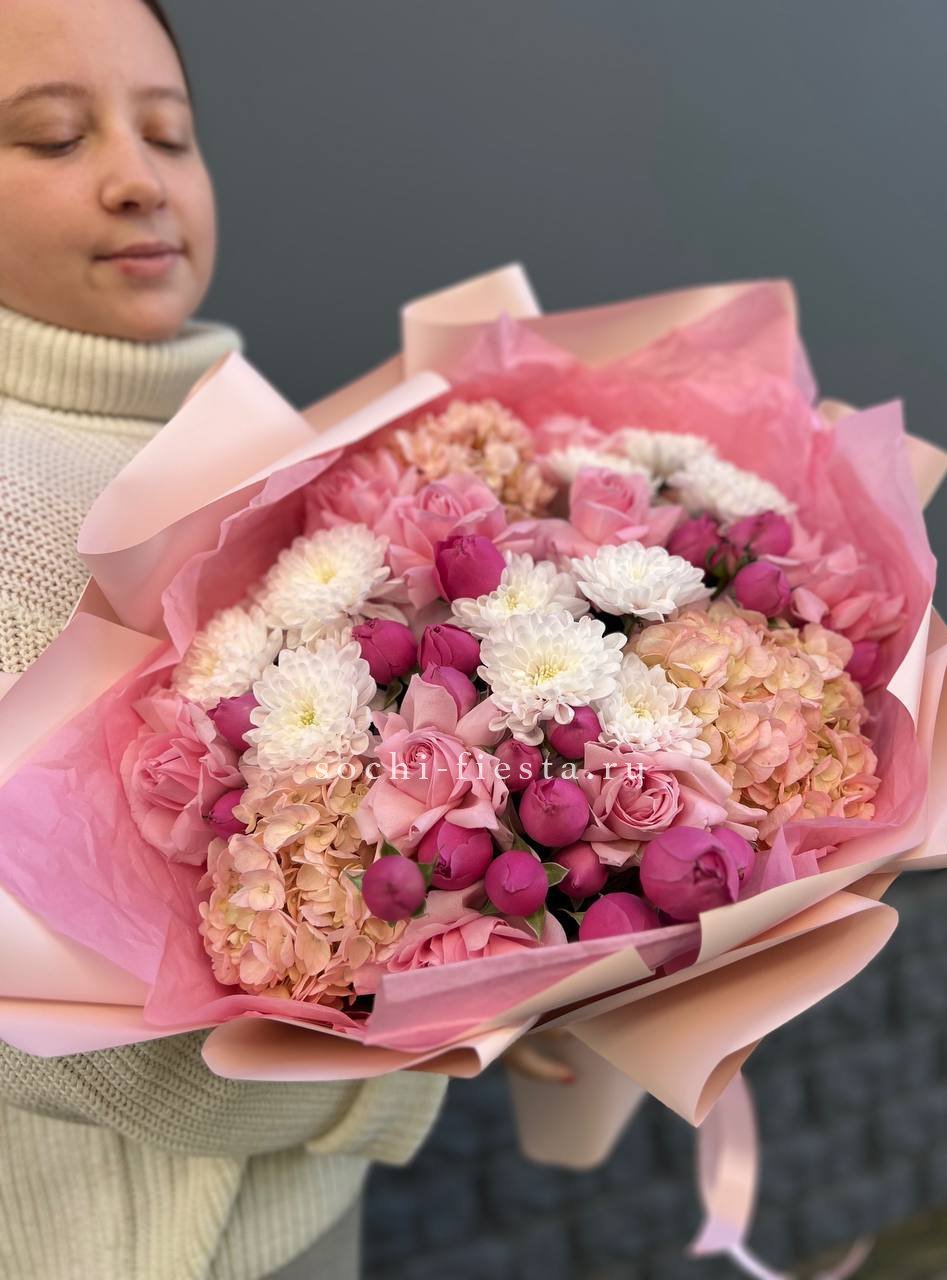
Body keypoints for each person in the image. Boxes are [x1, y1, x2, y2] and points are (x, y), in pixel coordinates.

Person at [0, 2, 447, 1276]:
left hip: (288, 1214)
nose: (137, 179)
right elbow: (48, 1018)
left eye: (168, 132)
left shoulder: (260, 446)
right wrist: (396, 1082)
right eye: (54, 137)